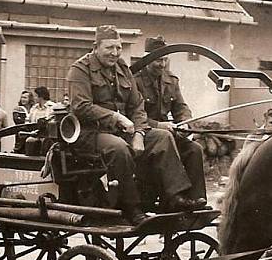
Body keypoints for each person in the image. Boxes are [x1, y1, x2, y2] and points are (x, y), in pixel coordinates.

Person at [67, 25, 206, 223]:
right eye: (109, 48)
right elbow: (81, 106)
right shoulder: (80, 69)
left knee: (162, 137)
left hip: (124, 130)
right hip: (90, 133)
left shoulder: (122, 69)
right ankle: (132, 208)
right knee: (120, 149)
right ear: (95, 47)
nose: (114, 53)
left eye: (118, 48)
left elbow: (137, 105)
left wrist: (140, 134)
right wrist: (116, 117)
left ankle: (175, 198)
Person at [135, 36, 207, 202]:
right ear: (147, 59)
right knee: (165, 138)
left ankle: (197, 199)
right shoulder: (135, 81)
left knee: (194, 149)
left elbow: (181, 107)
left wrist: (185, 123)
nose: (162, 64)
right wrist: (158, 125)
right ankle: (175, 197)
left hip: (166, 133)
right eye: (157, 60)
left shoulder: (171, 81)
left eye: (165, 60)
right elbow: (133, 113)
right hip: (144, 134)